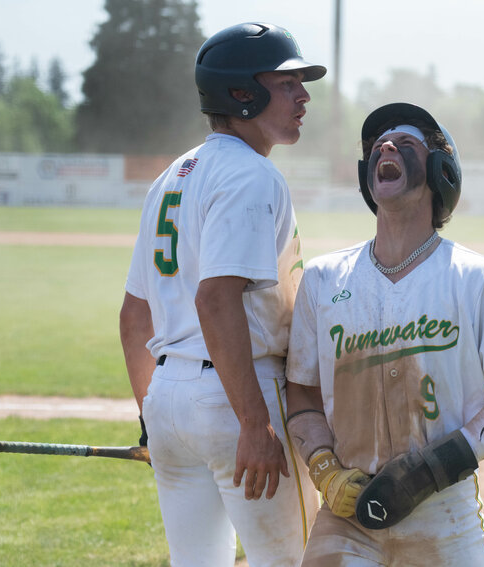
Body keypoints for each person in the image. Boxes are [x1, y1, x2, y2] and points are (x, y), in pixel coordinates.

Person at [284, 102, 484, 566]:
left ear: (439, 171)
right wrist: (325, 470)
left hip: (444, 515)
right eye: (378, 147)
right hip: (348, 514)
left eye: (406, 144)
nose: (385, 146)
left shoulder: (474, 276)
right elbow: (302, 392)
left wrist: (430, 471)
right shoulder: (324, 279)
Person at [118, 22, 325, 567]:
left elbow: (135, 315)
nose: (303, 95)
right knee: (291, 561)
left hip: (167, 396)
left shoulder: (171, 177)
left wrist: (152, 414)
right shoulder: (251, 176)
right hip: (240, 394)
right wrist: (253, 424)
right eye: (287, 83)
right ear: (241, 93)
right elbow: (216, 300)